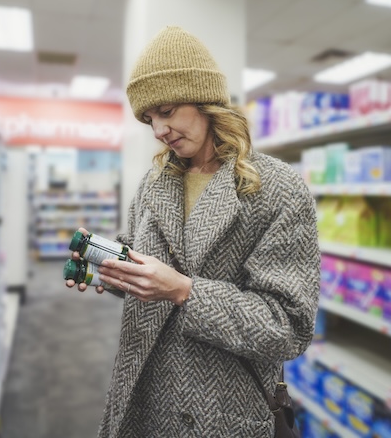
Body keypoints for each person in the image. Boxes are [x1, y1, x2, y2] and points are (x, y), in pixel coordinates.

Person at [66, 25, 320, 437]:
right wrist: (114, 270)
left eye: (166, 112)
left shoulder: (276, 188)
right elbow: (145, 256)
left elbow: (288, 327)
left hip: (219, 413)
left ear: (205, 101)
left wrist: (185, 291)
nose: (158, 131)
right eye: (149, 118)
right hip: (142, 395)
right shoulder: (156, 181)